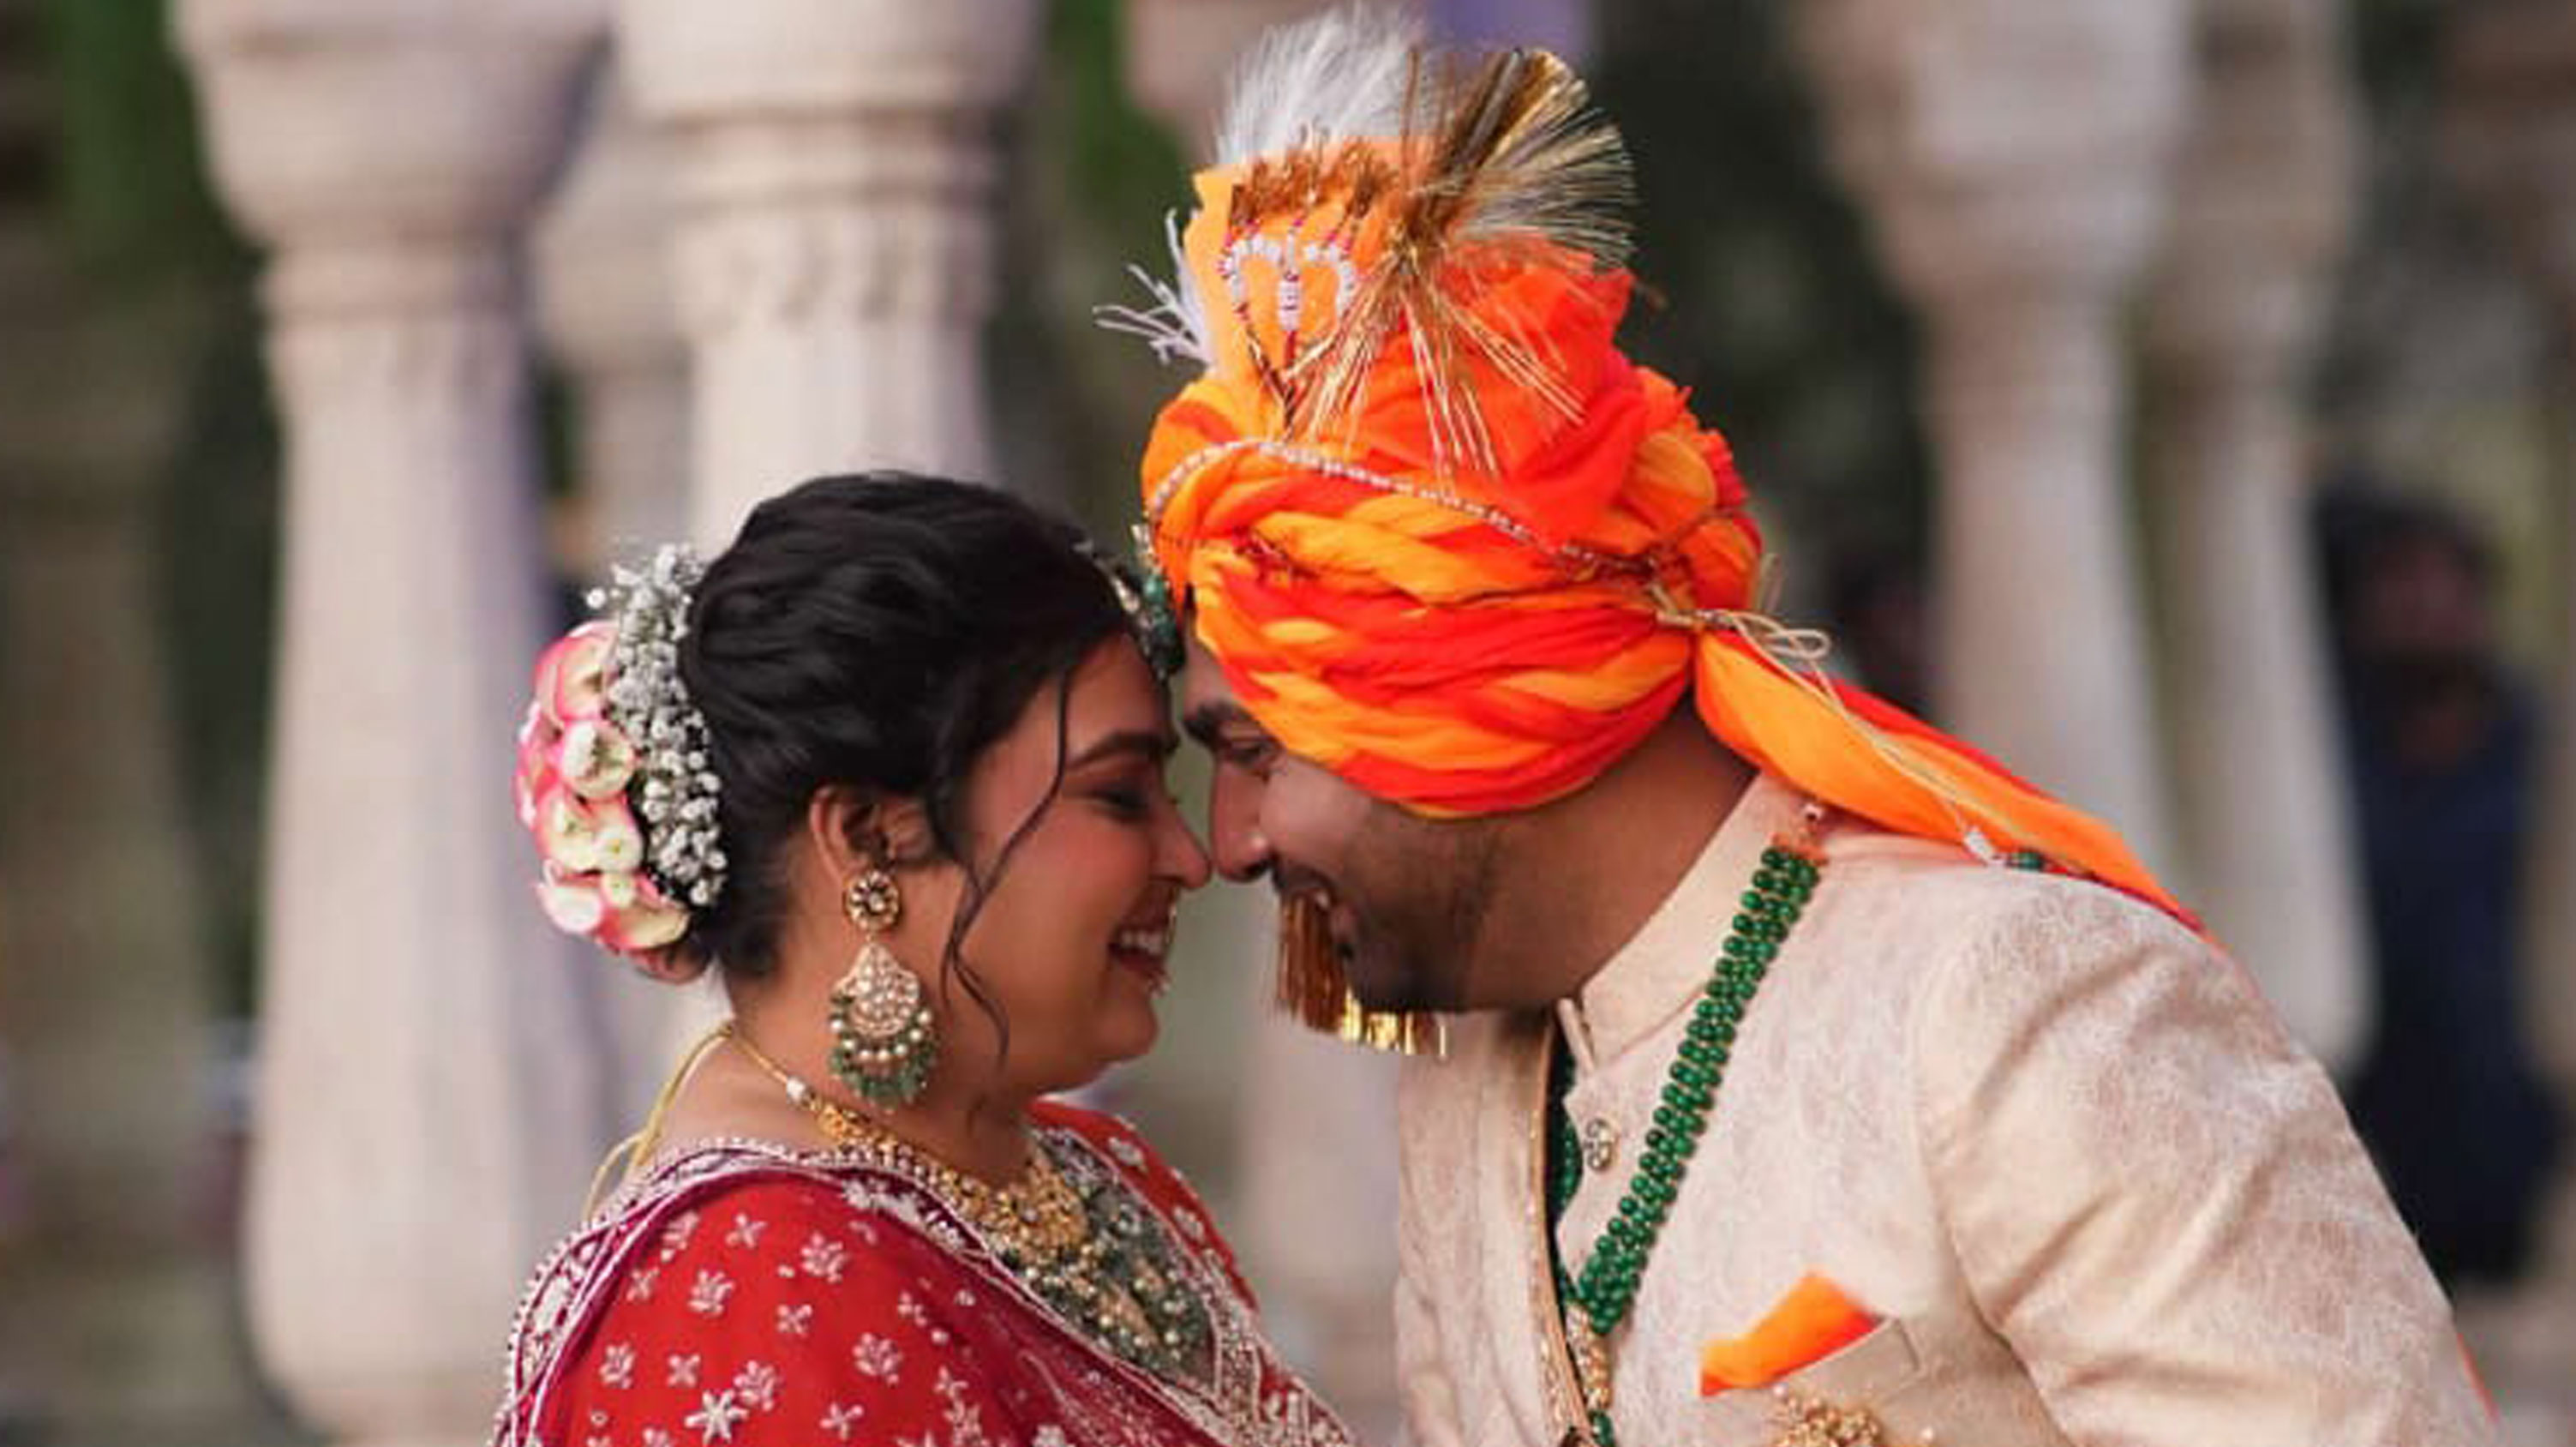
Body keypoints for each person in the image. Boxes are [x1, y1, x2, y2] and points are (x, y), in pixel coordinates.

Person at [1105, 13, 2495, 1445]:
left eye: (1255, 753)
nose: (1231, 843)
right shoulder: (1465, 1102)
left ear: (1459, 682)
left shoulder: (2009, 1010)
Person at [489, 473, 1357, 1447]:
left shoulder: (1089, 1174)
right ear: (868, 838)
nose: (1192, 857)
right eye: (1117, 796)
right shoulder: (759, 1288)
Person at [2319, 487, 2561, 1285]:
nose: (2425, 606)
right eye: (2399, 583)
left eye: (2446, 580)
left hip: (2522, 1133)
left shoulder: (2537, 750)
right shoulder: (2329, 763)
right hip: (2381, 1140)